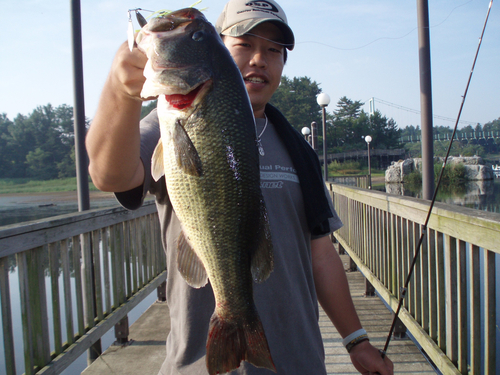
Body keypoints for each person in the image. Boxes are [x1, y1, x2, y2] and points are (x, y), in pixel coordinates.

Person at [86, 0, 394, 374]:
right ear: (221, 51)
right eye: (244, 44)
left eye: (273, 51)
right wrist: (121, 92)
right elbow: (110, 176)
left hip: (298, 362)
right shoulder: (168, 119)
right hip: (199, 364)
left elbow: (322, 254)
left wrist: (356, 340)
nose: (259, 59)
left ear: (282, 64)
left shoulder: (299, 148)